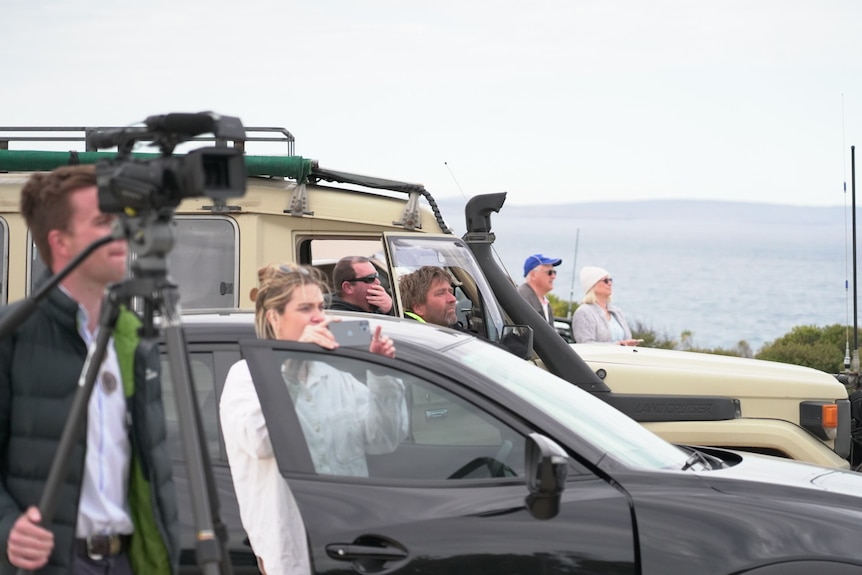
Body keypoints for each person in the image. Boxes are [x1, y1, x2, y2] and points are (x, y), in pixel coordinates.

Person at [0, 165, 179, 574]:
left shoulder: (134, 338)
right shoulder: (14, 334)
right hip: (53, 564)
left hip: (125, 560)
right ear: (60, 242)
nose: (121, 234)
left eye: (119, 220)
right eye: (102, 222)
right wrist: (7, 527)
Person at [219, 263, 407, 575]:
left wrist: (381, 373)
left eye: (320, 306)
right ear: (274, 317)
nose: (319, 317)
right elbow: (261, 441)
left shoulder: (336, 378)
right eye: (305, 309)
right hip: (291, 556)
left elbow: (383, 441)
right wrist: (291, 362)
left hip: (346, 547)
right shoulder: (245, 378)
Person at [572, 266, 640, 346]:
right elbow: (585, 344)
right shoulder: (583, 312)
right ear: (592, 285)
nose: (610, 283)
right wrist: (617, 345)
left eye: (610, 280)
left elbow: (627, 338)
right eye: (605, 281)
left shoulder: (617, 311)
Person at [327, 256, 393, 314]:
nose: (378, 282)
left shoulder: (376, 307)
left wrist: (390, 309)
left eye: (376, 276)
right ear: (348, 287)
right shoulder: (339, 317)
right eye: (370, 278)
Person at [517, 254, 562, 325]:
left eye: (554, 272)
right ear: (533, 275)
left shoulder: (546, 303)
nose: (553, 277)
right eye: (549, 273)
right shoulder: (522, 298)